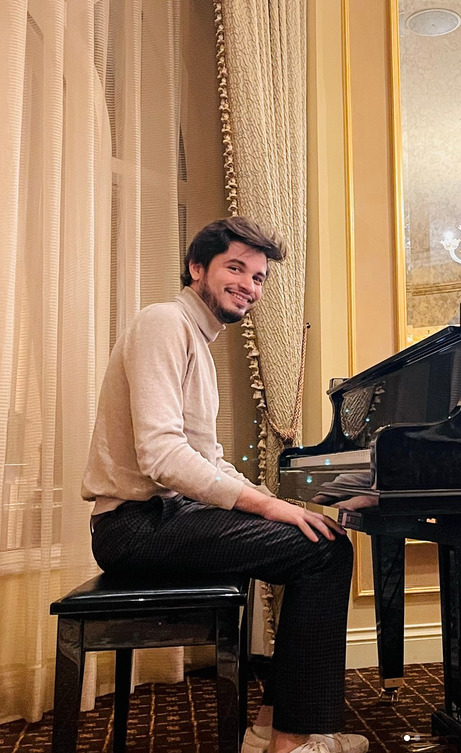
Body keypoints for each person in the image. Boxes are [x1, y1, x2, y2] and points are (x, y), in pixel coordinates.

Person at [82, 217, 368, 753]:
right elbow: (162, 456)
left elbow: (207, 459)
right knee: (325, 553)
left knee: (315, 538)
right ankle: (291, 741)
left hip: (162, 519)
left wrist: (277, 505)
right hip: (132, 527)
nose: (248, 286)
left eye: (258, 277)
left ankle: (269, 725)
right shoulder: (164, 323)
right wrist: (268, 507)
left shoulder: (194, 338)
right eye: (235, 269)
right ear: (198, 268)